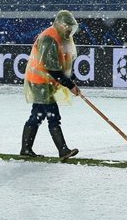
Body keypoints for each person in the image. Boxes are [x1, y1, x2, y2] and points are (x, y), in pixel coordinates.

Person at [20, 10, 81, 161]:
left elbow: (62, 65)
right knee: (53, 116)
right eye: (68, 27)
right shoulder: (49, 38)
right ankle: (63, 150)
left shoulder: (60, 38)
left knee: (37, 116)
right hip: (40, 81)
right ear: (61, 25)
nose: (69, 30)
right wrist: (70, 85)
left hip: (45, 82)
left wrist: (70, 80)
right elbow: (52, 68)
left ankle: (26, 148)